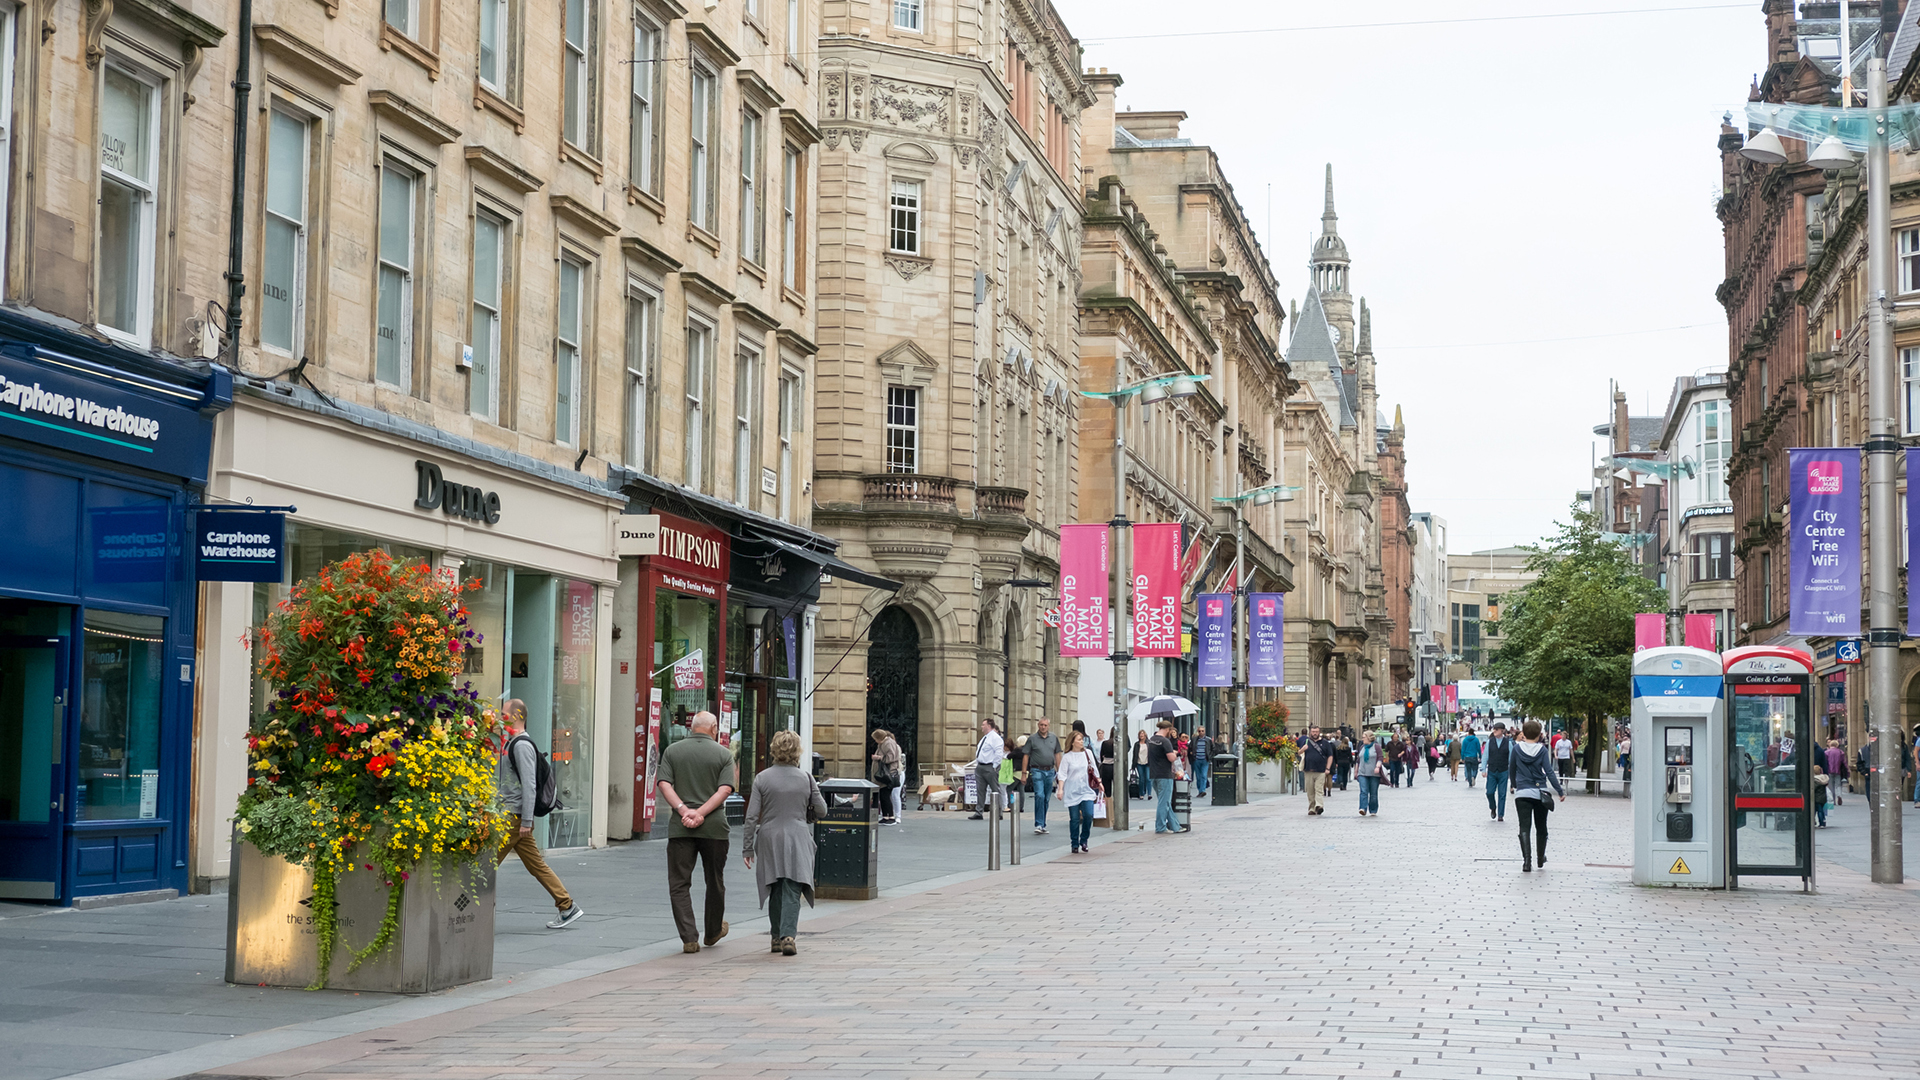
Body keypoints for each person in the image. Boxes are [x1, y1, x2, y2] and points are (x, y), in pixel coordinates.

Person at [496, 699, 584, 929]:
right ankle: (566, 905)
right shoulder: (511, 743)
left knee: (484, 864)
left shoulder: (521, 745)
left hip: (513, 818)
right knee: (536, 865)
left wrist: (526, 820)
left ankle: (476, 908)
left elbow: (529, 785)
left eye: (503, 713)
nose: (499, 716)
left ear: (515, 715)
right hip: (513, 816)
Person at [742, 730, 827, 956]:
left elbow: (751, 816)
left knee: (775, 884)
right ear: (797, 751)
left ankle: (775, 937)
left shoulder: (762, 778)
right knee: (793, 884)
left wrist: (747, 847)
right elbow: (822, 810)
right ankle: (788, 935)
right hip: (797, 834)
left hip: (769, 835)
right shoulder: (806, 778)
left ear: (774, 750)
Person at [656, 710, 736, 952]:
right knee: (714, 880)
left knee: (679, 883)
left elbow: (663, 784)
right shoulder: (723, 754)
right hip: (714, 828)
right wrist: (701, 813)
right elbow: (724, 790)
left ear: (692, 727)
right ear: (713, 729)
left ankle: (689, 938)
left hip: (680, 829)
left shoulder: (672, 751)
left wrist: (683, 810)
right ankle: (712, 932)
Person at [1509, 718, 1566, 872]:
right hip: (1540, 792)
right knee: (1541, 827)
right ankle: (1540, 858)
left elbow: (1512, 769)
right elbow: (1549, 772)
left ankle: (1527, 861)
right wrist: (1559, 791)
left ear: (1524, 733)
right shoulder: (1542, 750)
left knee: (1524, 827)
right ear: (1540, 734)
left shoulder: (1516, 749)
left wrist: (1515, 785)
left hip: (1522, 793)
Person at [1054, 731, 1102, 853]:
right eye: (1079, 739)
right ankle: (1074, 843)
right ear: (1073, 741)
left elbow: (1094, 769)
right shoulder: (1067, 757)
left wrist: (1100, 783)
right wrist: (1060, 789)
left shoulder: (1087, 753)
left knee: (1088, 815)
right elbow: (1062, 775)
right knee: (1074, 819)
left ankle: (1084, 839)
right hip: (1072, 790)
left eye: (1082, 739)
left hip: (1086, 789)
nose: (1081, 742)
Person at [1025, 716, 1062, 835]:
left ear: (1048, 726)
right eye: (1041, 725)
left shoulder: (1053, 738)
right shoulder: (1032, 739)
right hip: (1037, 770)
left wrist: (1060, 772)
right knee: (1039, 795)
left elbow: (1057, 755)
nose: (1043, 727)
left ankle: (1043, 823)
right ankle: (1039, 823)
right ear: (1038, 725)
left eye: (1045, 725)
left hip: (1050, 771)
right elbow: (1026, 755)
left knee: (1046, 798)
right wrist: (1023, 773)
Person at [1149, 719, 1182, 833]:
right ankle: (1160, 827)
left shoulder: (1151, 740)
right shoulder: (1165, 741)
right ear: (1168, 729)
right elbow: (1171, 758)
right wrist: (1175, 753)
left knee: (1165, 801)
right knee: (1164, 802)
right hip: (1165, 774)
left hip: (1153, 774)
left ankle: (1175, 826)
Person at [967, 719, 1004, 819]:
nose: (981, 727)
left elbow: (998, 753)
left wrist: (994, 766)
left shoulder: (995, 738)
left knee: (995, 790)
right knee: (980, 790)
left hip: (989, 766)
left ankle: (999, 812)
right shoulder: (985, 738)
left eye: (983, 725)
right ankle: (979, 812)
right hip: (981, 766)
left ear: (989, 725)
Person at [868, 728, 902, 826]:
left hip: (887, 774)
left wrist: (878, 757)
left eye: (875, 738)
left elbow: (892, 757)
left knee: (885, 795)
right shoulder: (884, 743)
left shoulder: (888, 743)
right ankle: (886, 816)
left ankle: (890, 817)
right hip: (884, 774)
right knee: (883, 795)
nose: (875, 741)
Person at [1299, 725, 1332, 816]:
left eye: (1316, 731)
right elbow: (1298, 753)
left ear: (1319, 732)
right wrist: (1302, 749)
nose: (1315, 733)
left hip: (1320, 770)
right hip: (1308, 769)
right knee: (1310, 791)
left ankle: (1319, 806)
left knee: (1319, 789)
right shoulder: (1306, 742)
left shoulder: (1325, 743)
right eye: (1313, 731)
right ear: (1310, 732)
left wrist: (1328, 768)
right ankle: (1312, 808)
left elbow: (1330, 756)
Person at [1484, 722, 1513, 822]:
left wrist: (1512, 772)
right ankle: (1493, 807)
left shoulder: (1508, 743)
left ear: (1502, 731)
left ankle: (1501, 814)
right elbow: (1485, 756)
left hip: (1503, 771)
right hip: (1492, 770)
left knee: (1502, 794)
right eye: (1494, 729)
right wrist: (1483, 769)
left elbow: (1511, 759)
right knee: (1489, 792)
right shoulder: (1490, 742)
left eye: (1497, 729)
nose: (1494, 731)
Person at [1355, 730, 1385, 816]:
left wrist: (1377, 767)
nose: (1362, 739)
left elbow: (1380, 758)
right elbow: (1358, 760)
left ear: (1369, 738)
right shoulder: (1362, 747)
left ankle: (1373, 809)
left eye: (1364, 737)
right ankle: (1363, 808)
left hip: (1374, 773)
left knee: (1373, 793)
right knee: (1363, 791)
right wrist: (1356, 771)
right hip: (1362, 773)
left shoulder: (1376, 747)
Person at [1190, 726, 1215, 797]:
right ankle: (1200, 790)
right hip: (1196, 760)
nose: (1201, 732)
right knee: (1198, 776)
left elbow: (1212, 749)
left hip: (1205, 760)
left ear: (1205, 731)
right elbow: (1190, 748)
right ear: (1198, 732)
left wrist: (1210, 757)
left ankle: (1202, 790)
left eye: (1202, 731)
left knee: (1204, 775)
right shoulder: (1194, 739)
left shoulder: (1208, 740)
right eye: (1199, 731)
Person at [1825, 739, 1846, 806]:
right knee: (1838, 785)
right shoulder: (1840, 752)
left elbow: (1825, 763)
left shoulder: (1826, 752)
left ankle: (1832, 800)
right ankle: (1839, 795)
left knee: (1831, 786)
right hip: (1838, 771)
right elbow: (1844, 762)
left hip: (1829, 771)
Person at [1133, 729, 1152, 801]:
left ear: (1145, 735)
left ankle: (1149, 793)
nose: (1141, 736)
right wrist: (1133, 765)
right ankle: (1141, 794)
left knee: (1148, 778)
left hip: (1147, 763)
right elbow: (1135, 755)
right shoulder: (1137, 744)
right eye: (1140, 735)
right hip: (1139, 762)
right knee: (1141, 779)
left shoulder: (1149, 743)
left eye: (1143, 734)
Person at [1097, 727, 1116, 795]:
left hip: (1106, 765)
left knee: (1107, 788)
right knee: (1117, 787)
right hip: (1116, 765)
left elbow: (1101, 755)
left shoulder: (1105, 743)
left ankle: (1108, 803)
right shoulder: (1119, 744)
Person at [1812, 763, 1830, 829]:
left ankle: (1820, 823)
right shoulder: (1823, 778)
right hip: (1823, 798)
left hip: (1816, 798)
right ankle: (1823, 821)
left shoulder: (1815, 780)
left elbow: (1813, 789)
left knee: (1816, 811)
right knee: (1821, 810)